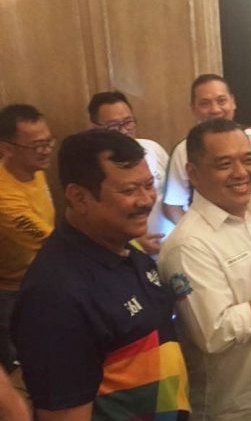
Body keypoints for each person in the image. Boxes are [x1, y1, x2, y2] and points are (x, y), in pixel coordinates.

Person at [12, 129, 190, 420]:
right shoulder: (57, 295)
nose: (146, 200)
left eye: (149, 185)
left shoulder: (130, 251)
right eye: (129, 191)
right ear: (79, 197)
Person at [158, 119, 251, 420]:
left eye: (248, 160)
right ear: (193, 173)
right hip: (235, 406)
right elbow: (215, 334)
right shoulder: (188, 245)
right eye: (224, 164)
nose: (241, 172)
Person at [162, 74, 251, 225]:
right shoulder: (184, 150)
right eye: (205, 103)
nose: (215, 109)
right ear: (193, 108)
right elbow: (173, 206)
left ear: (233, 102)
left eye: (221, 101)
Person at [0, 104, 55, 372]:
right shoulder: (4, 198)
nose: (46, 150)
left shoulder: (34, 169)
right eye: (37, 146)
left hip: (39, 277)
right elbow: (51, 240)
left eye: (48, 142)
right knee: (23, 368)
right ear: (7, 148)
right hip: (11, 293)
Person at [88, 91, 171, 253]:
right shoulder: (92, 165)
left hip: (169, 246)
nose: (124, 131)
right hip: (126, 250)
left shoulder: (153, 148)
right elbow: (93, 218)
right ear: (95, 127)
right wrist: (133, 241)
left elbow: (175, 197)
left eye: (128, 122)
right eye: (113, 126)